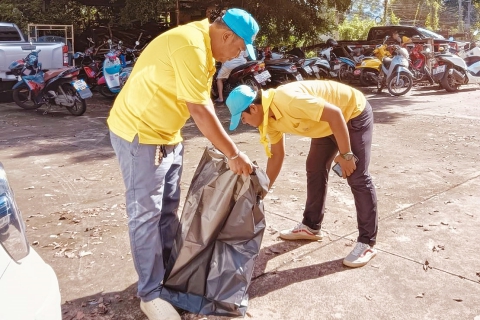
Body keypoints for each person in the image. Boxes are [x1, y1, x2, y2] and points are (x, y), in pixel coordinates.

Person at [107, 8, 259, 320]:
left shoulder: (205, 50)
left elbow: (196, 106)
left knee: (167, 209)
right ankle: (149, 294)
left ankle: (169, 276)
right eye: (240, 47)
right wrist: (232, 153)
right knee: (145, 212)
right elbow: (201, 111)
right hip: (139, 133)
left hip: (167, 134)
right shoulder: (191, 45)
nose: (238, 54)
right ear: (227, 35)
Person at [225, 80, 378, 268]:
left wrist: (346, 154)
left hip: (352, 114)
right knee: (314, 166)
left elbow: (336, 114)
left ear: (253, 109)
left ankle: (367, 242)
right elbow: (277, 156)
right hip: (326, 124)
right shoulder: (267, 120)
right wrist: (261, 193)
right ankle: (311, 226)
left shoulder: (287, 100)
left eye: (242, 118)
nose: (244, 123)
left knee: (357, 176)